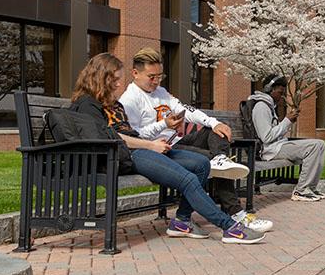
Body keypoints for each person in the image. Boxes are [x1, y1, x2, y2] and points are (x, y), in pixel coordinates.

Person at [69, 53, 265, 244]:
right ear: (99, 78)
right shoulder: (87, 105)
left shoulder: (111, 102)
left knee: (202, 164)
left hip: (140, 149)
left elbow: (126, 132)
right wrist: (151, 144)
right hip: (126, 156)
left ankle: (181, 221)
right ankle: (229, 227)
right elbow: (109, 138)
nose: (119, 84)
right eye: (114, 80)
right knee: (187, 179)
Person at [119, 48, 272, 234]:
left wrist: (214, 122)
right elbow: (135, 138)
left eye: (160, 76)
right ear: (135, 73)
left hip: (177, 142)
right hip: (156, 151)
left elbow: (187, 110)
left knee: (215, 133)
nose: (156, 81)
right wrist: (163, 125)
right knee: (205, 161)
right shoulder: (129, 99)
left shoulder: (161, 92)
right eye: (151, 77)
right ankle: (235, 214)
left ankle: (220, 159)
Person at [249, 75, 325, 201]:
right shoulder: (261, 107)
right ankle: (301, 190)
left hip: (279, 146)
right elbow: (266, 137)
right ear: (271, 89)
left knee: (321, 145)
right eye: (280, 92)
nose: (282, 96)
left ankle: (310, 187)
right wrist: (286, 121)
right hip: (269, 150)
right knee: (315, 146)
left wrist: (288, 121)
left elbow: (275, 132)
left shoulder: (270, 106)